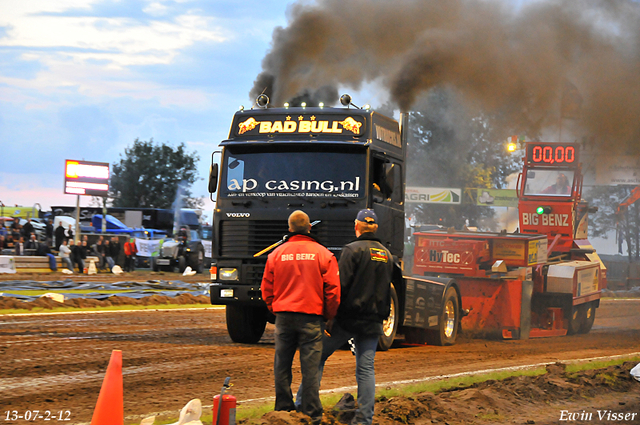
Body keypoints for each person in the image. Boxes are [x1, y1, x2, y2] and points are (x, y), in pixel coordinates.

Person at [300, 209, 393, 425]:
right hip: (373, 322)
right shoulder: (386, 255)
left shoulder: (351, 250)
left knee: (317, 357)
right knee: (366, 368)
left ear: (357, 226)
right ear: (376, 228)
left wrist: (329, 317)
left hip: (348, 319)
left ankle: (304, 409)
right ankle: (364, 420)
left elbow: (339, 287)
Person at [261, 210, 341, 423]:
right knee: (310, 369)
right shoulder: (324, 254)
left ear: (289, 228)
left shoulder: (276, 254)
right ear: (309, 227)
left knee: (282, 365)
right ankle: (312, 413)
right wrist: (328, 315)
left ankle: (283, 410)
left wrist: (275, 308)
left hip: (284, 317)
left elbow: (266, 288)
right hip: (311, 317)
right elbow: (333, 290)